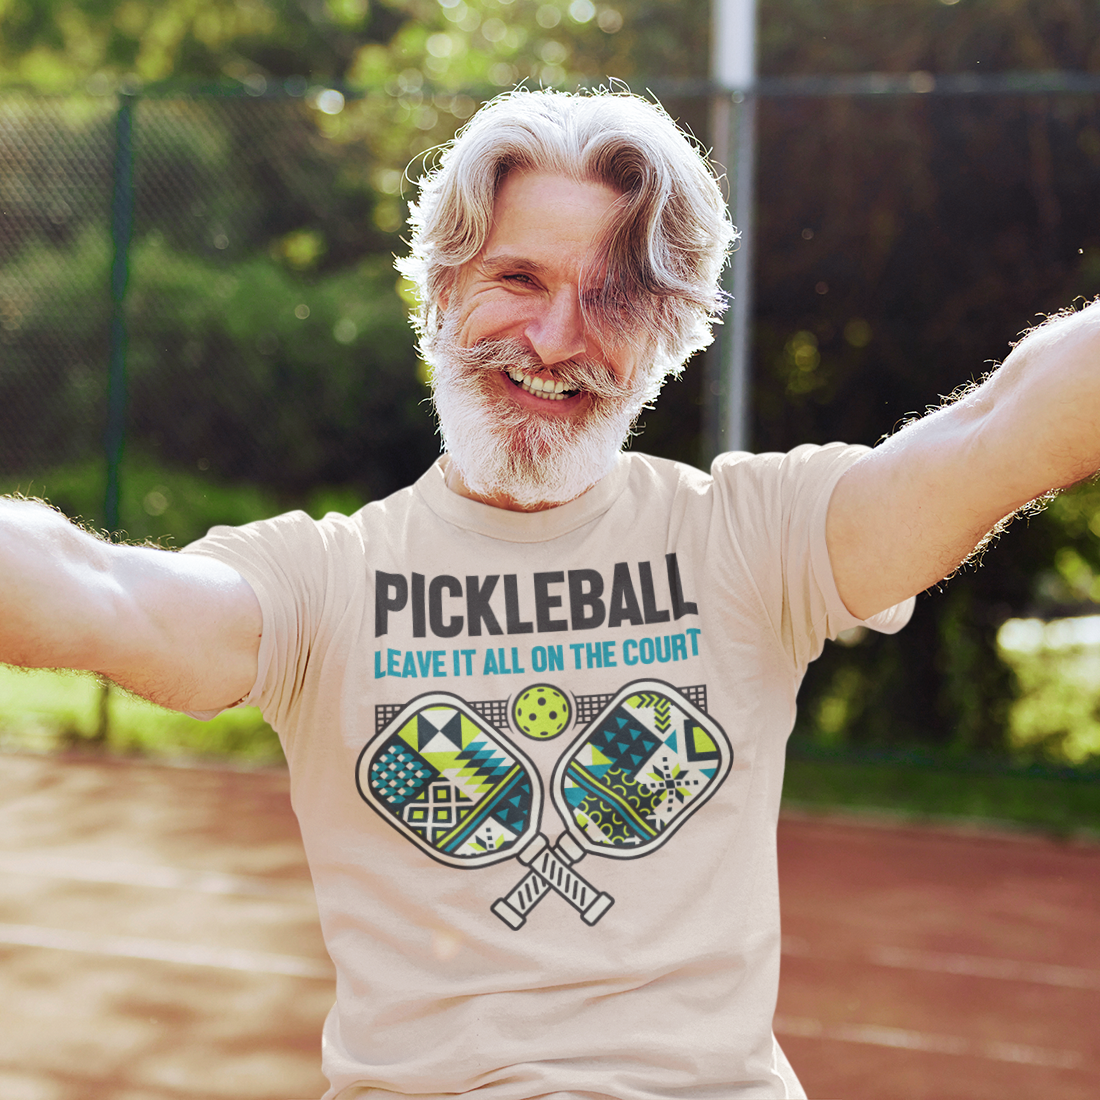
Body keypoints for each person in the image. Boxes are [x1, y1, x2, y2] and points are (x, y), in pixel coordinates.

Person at [1, 86, 1098, 1099]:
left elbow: (1000, 424)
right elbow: (97, 588)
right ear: (438, 290)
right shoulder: (320, 580)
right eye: (518, 279)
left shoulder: (757, 537)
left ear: (665, 335)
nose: (556, 339)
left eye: (612, 298)